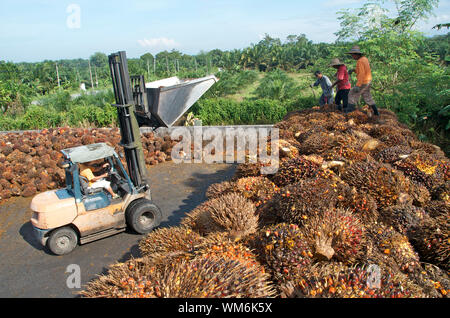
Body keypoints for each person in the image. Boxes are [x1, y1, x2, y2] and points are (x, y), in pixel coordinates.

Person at [346, 46, 379, 116]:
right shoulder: (364, 59)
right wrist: (354, 70)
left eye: (352, 55)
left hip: (363, 82)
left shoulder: (360, 61)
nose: (352, 56)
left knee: (352, 93)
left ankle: (349, 112)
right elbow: (363, 71)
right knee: (367, 96)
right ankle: (376, 112)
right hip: (368, 81)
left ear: (356, 54)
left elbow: (361, 73)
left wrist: (358, 85)